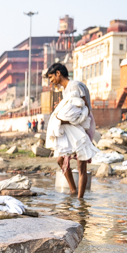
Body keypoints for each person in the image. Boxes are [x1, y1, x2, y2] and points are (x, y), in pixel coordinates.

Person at [44, 63, 98, 199]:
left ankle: (80, 199)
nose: (51, 81)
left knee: (81, 164)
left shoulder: (74, 85)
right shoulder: (65, 89)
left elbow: (83, 107)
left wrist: (66, 119)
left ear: (58, 73)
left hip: (81, 127)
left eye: (51, 77)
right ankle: (73, 189)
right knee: (61, 160)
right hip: (70, 128)